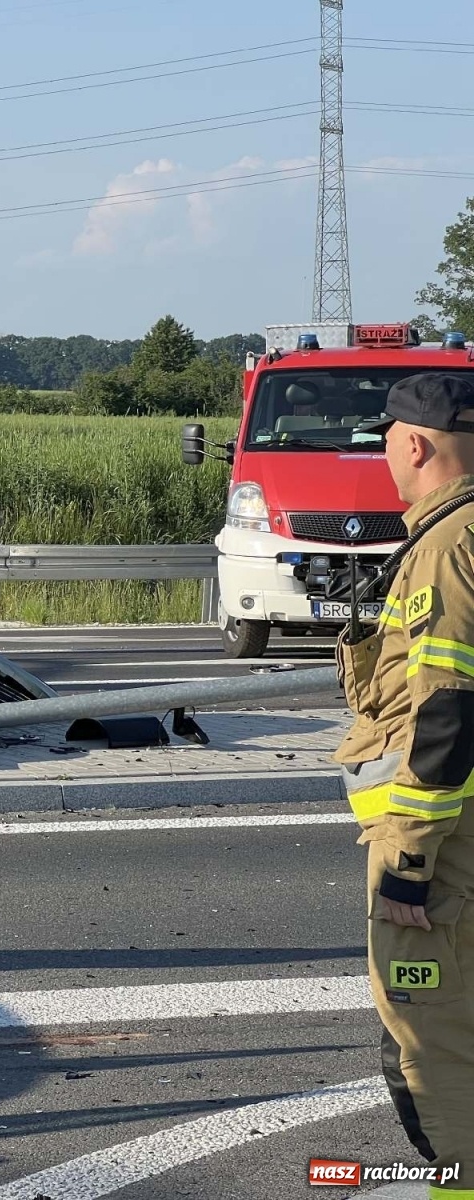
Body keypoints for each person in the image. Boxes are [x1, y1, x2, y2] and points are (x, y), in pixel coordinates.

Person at [336, 372, 474, 1198]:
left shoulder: (447, 547)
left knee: (430, 1046)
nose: (386, 454)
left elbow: (448, 709)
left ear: (415, 444)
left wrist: (409, 862)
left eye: (386, 439)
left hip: (446, 858)